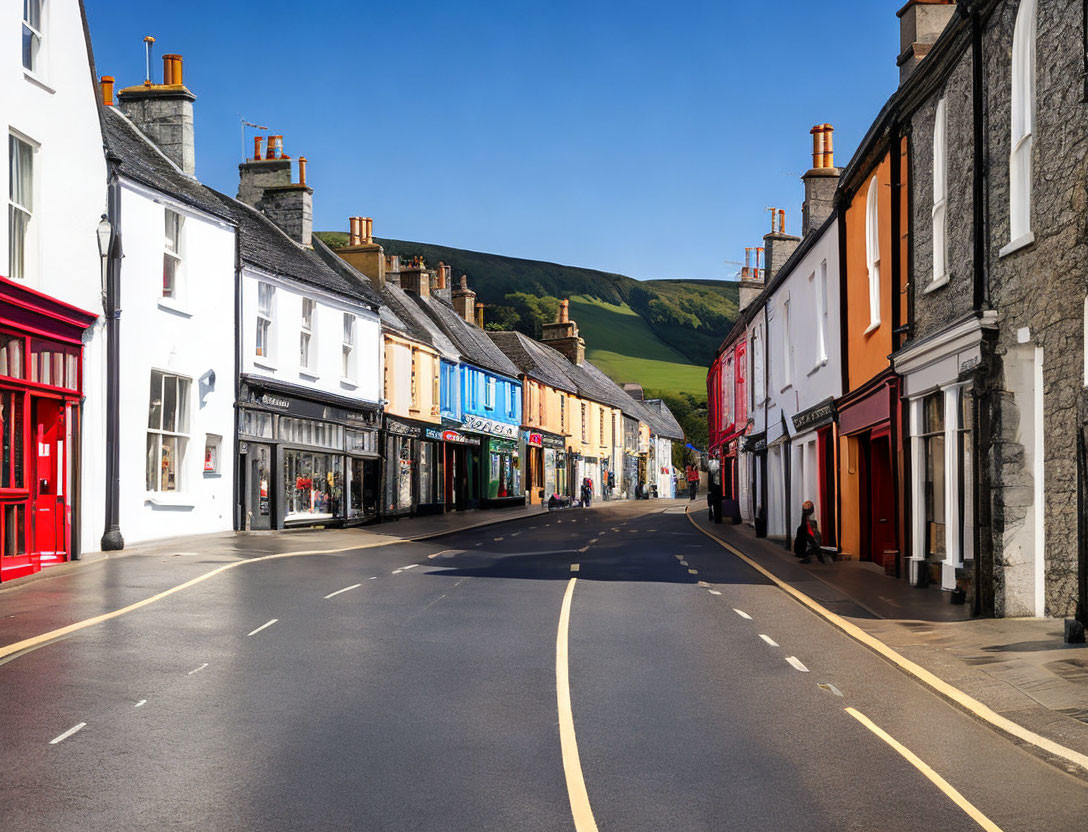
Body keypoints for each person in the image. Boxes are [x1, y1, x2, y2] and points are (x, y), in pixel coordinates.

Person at [706, 458, 722, 524]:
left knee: (714, 506)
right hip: (717, 492)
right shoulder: (717, 473)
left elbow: (709, 483)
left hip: (713, 492)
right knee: (717, 506)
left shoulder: (711, 474)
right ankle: (717, 519)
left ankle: (715, 518)